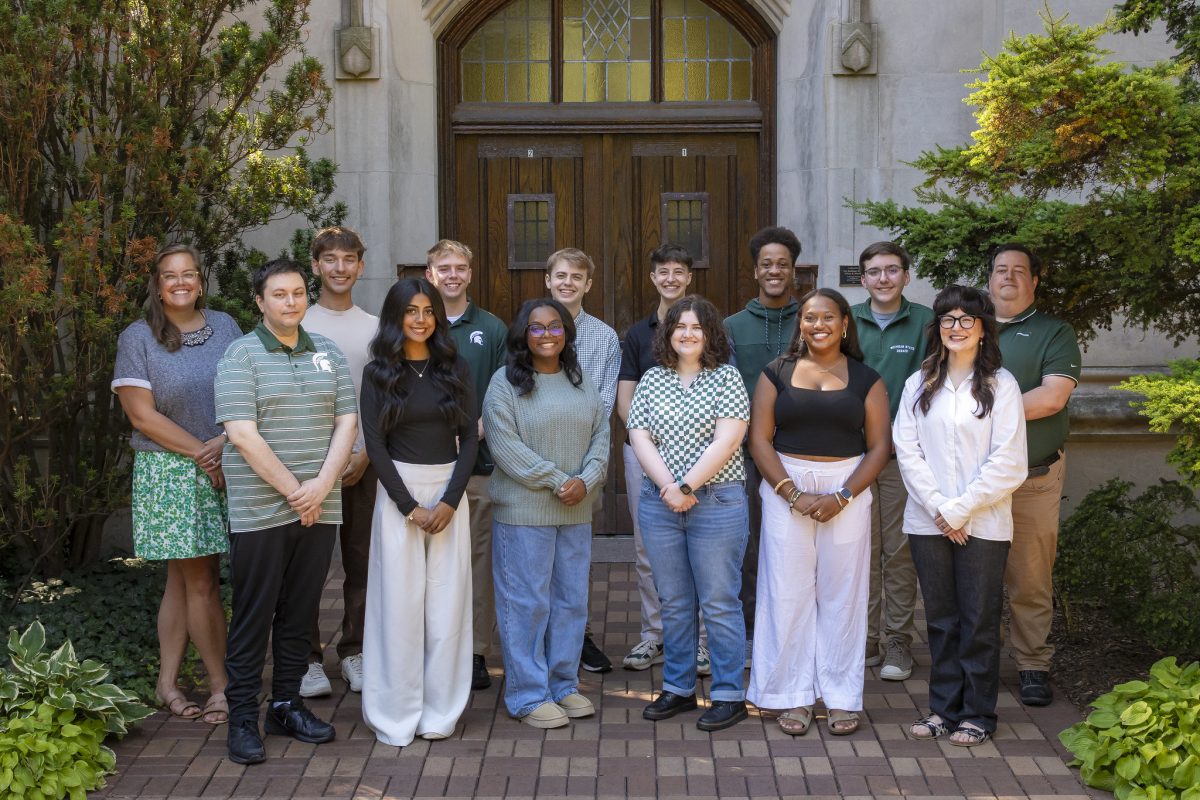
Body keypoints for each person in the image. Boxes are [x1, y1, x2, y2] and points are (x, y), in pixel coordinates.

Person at [215, 259, 358, 765]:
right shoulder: (241, 355)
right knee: (254, 616)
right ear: (260, 302)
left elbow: (347, 422)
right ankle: (240, 719)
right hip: (261, 510)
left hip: (319, 507)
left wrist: (320, 487)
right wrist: (298, 490)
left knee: (300, 615)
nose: (291, 302)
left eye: (298, 292)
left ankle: (286, 705)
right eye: (279, 294)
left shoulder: (330, 353)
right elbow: (241, 433)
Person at [746, 288, 890, 737]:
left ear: (845, 324)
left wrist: (842, 495)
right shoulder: (776, 373)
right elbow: (759, 439)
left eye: (828, 317)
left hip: (847, 488)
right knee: (786, 593)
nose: (818, 325)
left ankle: (842, 697)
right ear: (801, 325)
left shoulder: (868, 379)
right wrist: (791, 493)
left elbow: (880, 446)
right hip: (785, 487)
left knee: (842, 595)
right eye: (810, 318)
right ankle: (794, 695)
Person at [112, 244, 241, 726]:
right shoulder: (138, 337)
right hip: (169, 473)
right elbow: (141, 415)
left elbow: (247, 389)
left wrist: (224, 445)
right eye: (170, 275)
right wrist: (204, 454)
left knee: (182, 581)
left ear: (201, 281)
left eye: (189, 274)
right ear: (157, 284)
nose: (181, 282)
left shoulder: (226, 327)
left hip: (225, 460)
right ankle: (221, 686)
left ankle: (166, 684)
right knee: (202, 581)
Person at [894, 285, 1027, 746]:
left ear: (983, 328)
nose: (956, 328)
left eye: (966, 320)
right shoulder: (919, 383)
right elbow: (907, 451)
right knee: (941, 619)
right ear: (938, 328)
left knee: (979, 619)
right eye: (948, 320)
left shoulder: (1001, 386)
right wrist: (939, 508)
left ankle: (978, 714)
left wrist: (961, 508)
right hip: (928, 522)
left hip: (984, 523)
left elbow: (1009, 460)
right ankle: (942, 709)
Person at [359, 278, 478, 745]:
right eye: (411, 311)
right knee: (399, 607)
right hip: (398, 496)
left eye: (428, 310)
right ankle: (394, 713)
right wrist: (409, 506)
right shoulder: (378, 374)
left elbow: (468, 439)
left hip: (449, 493)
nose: (421, 319)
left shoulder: (456, 368)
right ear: (395, 317)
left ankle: (439, 712)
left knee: (446, 608)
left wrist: (448, 500)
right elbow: (375, 444)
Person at [482, 298, 610, 728]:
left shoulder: (580, 380)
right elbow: (504, 447)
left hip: (576, 510)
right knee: (528, 605)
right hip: (524, 512)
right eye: (536, 328)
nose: (547, 334)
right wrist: (558, 480)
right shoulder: (505, 383)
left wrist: (586, 480)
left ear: (567, 333)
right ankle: (527, 694)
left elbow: (601, 435)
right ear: (523, 334)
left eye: (555, 326)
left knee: (571, 603)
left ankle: (563, 685)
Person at [629, 295, 751, 732]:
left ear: (710, 333)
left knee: (719, 601)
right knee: (675, 602)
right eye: (680, 326)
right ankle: (679, 688)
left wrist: (685, 487)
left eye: (696, 327)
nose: (687, 333)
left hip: (716, 503)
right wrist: (668, 488)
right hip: (660, 505)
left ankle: (728, 695)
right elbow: (639, 436)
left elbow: (728, 440)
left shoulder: (727, 378)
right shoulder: (652, 380)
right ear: (668, 333)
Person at [988, 244, 1081, 707]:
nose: (1009, 277)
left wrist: (980, 415)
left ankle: (1032, 665)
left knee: (1029, 579)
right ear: (989, 280)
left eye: (1019, 271)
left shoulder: (1054, 332)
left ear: (1035, 281)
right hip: (974, 484)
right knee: (976, 579)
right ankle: (977, 664)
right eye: (1001, 270)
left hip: (1032, 478)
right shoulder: (968, 328)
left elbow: (1051, 399)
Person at [617, 244, 710, 676]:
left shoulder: (708, 326)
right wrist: (651, 451)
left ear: (688, 277)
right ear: (653, 278)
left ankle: (703, 642)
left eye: (678, 271)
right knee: (647, 547)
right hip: (645, 454)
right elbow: (626, 400)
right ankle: (655, 634)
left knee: (704, 546)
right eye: (663, 273)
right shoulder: (638, 334)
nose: (670, 279)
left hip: (702, 460)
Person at [300, 226, 379, 699]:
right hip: (310, 463)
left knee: (362, 562)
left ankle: (354, 651)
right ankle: (307, 658)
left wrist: (367, 452)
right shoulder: (299, 324)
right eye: (329, 259)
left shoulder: (373, 327)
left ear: (360, 267)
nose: (339, 267)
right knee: (307, 565)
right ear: (315, 266)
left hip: (364, 462)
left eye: (348, 259)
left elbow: (383, 399)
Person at [425, 239, 508, 691]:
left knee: (476, 560)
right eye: (444, 267)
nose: (453, 274)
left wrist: (478, 425)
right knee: (430, 560)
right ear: (431, 273)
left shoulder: (491, 329)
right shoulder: (419, 322)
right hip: (424, 464)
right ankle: (433, 646)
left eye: (460, 267)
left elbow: (503, 389)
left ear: (470, 274)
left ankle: (475, 651)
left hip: (478, 465)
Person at [850, 241, 934, 680]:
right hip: (854, 457)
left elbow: (934, 387)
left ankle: (899, 640)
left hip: (904, 457)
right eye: (874, 272)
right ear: (863, 279)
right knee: (862, 548)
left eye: (892, 270)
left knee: (899, 553)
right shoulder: (849, 321)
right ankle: (865, 635)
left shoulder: (925, 323)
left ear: (906, 275)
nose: (883, 278)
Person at [723, 226, 802, 662]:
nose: (775, 271)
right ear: (756, 271)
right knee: (749, 545)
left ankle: (794, 633)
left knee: (795, 543)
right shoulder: (733, 325)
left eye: (783, 264)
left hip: (803, 449)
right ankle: (752, 634)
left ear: (793, 271)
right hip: (748, 454)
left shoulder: (811, 317)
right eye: (767, 264)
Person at [544, 248, 620, 673]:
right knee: (536, 557)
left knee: (576, 557)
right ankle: (539, 637)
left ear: (588, 284)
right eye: (560, 275)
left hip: (585, 461)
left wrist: (584, 464)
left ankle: (578, 636)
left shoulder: (605, 337)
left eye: (577, 276)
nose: (568, 282)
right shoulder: (532, 328)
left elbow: (605, 401)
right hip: (536, 462)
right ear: (548, 280)